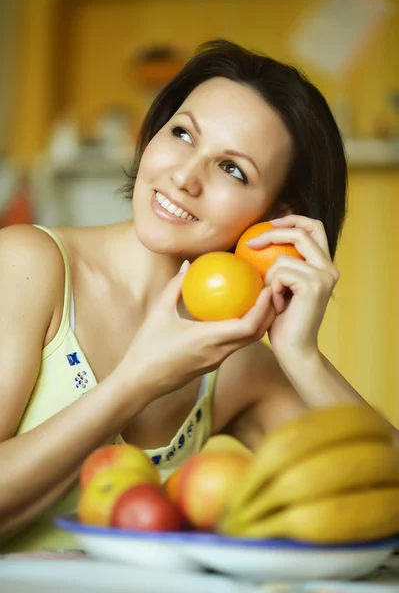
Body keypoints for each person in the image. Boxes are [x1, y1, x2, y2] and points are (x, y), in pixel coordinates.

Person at [0, 39, 397, 553]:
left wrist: (303, 355)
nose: (184, 177)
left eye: (233, 169)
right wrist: (136, 382)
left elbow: (381, 501)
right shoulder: (28, 266)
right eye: (183, 134)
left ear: (277, 218)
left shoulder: (235, 366)